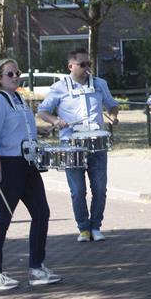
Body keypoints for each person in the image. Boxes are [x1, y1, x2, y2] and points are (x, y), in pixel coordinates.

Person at [0, 58, 61, 291]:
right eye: (10, 74)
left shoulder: (17, 98)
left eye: (17, 73)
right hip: (8, 164)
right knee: (3, 218)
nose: (15, 77)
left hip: (27, 163)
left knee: (41, 212)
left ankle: (36, 267)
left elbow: (23, 130)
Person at [37, 48, 119, 242]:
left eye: (89, 64)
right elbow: (42, 111)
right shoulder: (59, 87)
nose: (87, 68)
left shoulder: (100, 84)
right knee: (78, 190)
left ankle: (96, 227)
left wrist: (113, 116)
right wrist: (56, 121)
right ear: (71, 66)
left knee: (100, 189)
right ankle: (83, 228)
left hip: (97, 144)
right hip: (71, 145)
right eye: (82, 64)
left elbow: (112, 105)